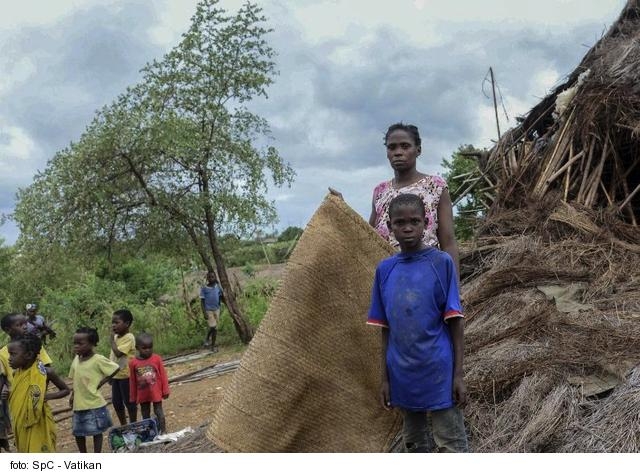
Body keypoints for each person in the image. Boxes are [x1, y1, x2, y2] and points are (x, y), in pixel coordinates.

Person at [367, 193, 469, 453]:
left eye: (415, 221)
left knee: (451, 442)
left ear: (427, 222)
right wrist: (385, 379)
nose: (408, 227)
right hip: (402, 374)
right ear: (390, 227)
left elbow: (455, 322)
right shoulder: (385, 270)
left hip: (439, 371)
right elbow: (386, 329)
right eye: (400, 223)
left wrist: (458, 375)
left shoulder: (441, 263)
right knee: (415, 443)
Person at [6, 333, 69, 453]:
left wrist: (45, 397)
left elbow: (66, 390)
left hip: (39, 420)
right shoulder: (16, 373)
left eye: (13, 354)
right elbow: (19, 396)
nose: (9, 358)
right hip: (21, 422)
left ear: (28, 355)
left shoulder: (46, 372)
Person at [68, 327, 120, 453]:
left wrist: (101, 382)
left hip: (94, 404)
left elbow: (115, 368)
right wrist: (72, 395)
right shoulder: (76, 359)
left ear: (92, 344)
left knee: (97, 431)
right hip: (78, 404)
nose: (76, 346)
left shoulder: (98, 359)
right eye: (75, 343)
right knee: (78, 432)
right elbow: (75, 379)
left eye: (80, 344)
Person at [129, 333, 170, 434]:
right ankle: (150, 432)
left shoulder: (156, 359)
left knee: (158, 411)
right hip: (143, 394)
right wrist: (133, 397)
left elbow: (163, 375)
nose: (148, 350)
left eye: (150, 347)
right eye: (144, 348)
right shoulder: (133, 363)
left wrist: (165, 390)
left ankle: (163, 431)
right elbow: (132, 381)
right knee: (145, 413)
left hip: (155, 391)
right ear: (137, 348)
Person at [109, 309, 137, 426]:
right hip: (116, 375)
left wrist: (111, 342)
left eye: (117, 322)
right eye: (112, 323)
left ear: (127, 324)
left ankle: (133, 424)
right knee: (116, 402)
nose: (113, 325)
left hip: (126, 375)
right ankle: (124, 425)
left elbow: (119, 353)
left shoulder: (129, 337)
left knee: (129, 402)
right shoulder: (116, 338)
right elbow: (112, 358)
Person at [200, 271, 225, 352]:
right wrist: (204, 312)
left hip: (217, 309)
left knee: (215, 328)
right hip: (208, 310)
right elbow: (202, 301)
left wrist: (223, 303)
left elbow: (221, 296)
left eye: (213, 277)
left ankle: (211, 344)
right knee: (213, 327)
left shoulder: (217, 287)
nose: (211, 278)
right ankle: (209, 341)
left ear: (215, 277)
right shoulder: (204, 288)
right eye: (210, 277)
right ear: (207, 278)